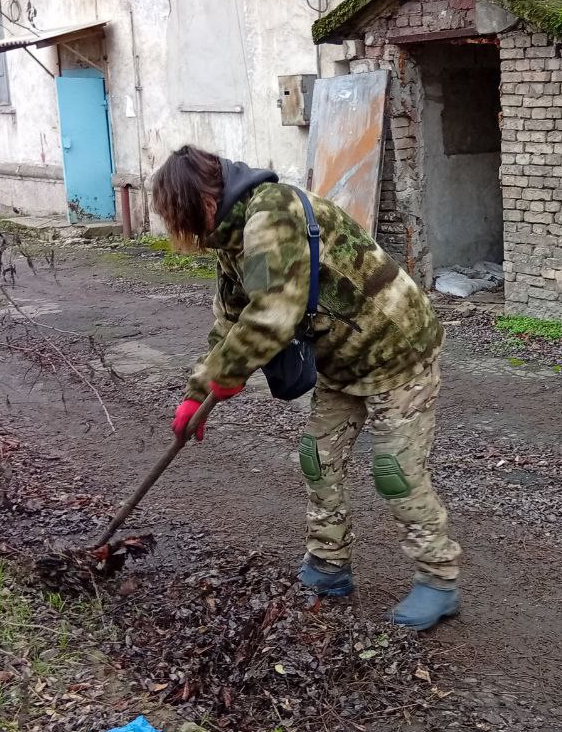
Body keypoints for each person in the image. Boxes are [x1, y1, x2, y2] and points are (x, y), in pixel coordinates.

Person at [149, 146, 462, 630]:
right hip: (341, 360)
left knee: (394, 471)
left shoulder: (271, 216)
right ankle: (329, 564)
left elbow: (272, 315)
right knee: (317, 458)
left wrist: (225, 377)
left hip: (398, 349)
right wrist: (197, 394)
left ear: (204, 199)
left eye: (187, 218)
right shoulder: (232, 238)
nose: (189, 233)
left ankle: (438, 580)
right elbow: (231, 320)